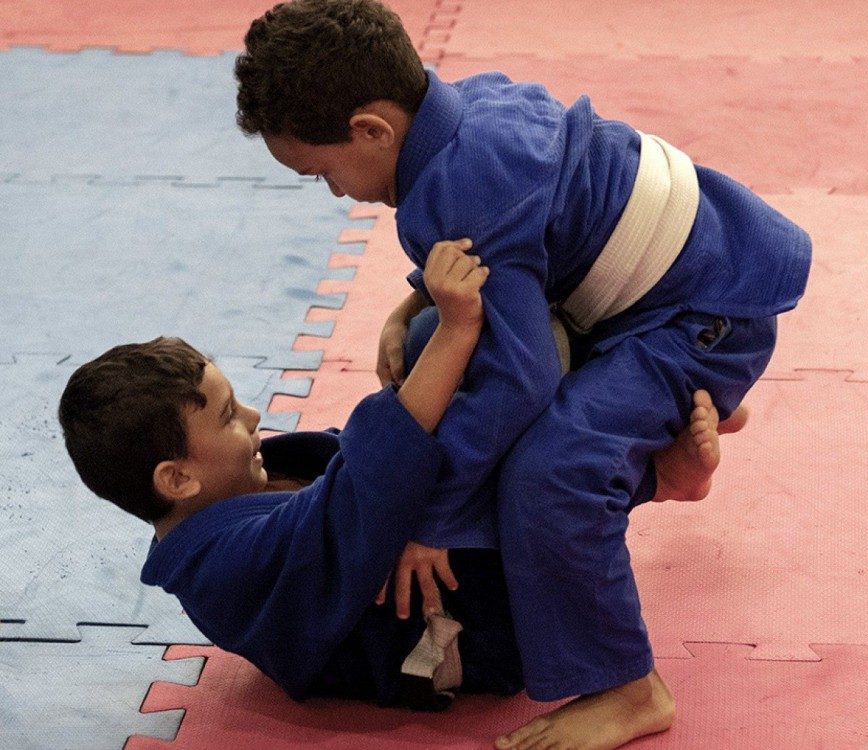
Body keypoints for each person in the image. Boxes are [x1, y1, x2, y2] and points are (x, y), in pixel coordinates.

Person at [235, 2, 810, 747]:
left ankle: (630, 689)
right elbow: (510, 238)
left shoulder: (449, 188)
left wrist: (436, 517)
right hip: (693, 277)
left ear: (372, 130)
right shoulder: (470, 105)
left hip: (696, 317)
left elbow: (522, 381)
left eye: (324, 172)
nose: (338, 192)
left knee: (549, 473)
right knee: (425, 337)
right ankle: (665, 426)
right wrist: (410, 298)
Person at [57, 241, 735, 721]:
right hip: (490, 629)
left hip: (437, 562)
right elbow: (359, 496)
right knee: (502, 439)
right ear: (177, 479)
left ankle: (649, 406)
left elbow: (358, 464)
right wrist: (455, 336)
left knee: (442, 358)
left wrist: (420, 325)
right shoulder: (218, 572)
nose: (256, 416)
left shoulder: (242, 489)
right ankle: (653, 459)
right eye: (230, 418)